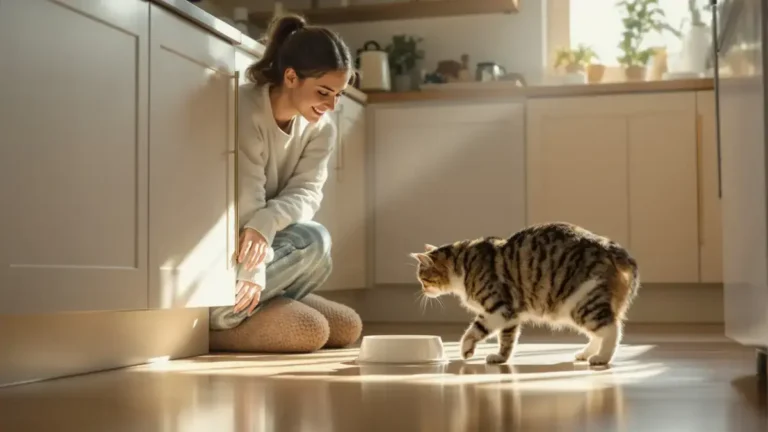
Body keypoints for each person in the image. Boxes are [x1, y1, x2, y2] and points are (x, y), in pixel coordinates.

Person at [209, 14, 362, 353]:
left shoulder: (322, 129)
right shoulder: (246, 108)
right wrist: (252, 268)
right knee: (313, 240)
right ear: (291, 77)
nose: (331, 105)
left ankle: (253, 304)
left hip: (267, 235)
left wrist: (265, 225)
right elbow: (246, 195)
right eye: (324, 92)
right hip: (233, 239)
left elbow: (308, 193)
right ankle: (221, 314)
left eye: (339, 95)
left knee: (318, 246)